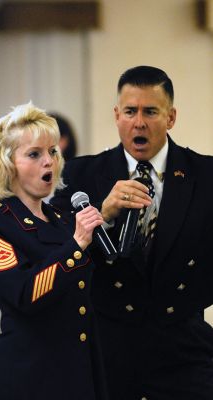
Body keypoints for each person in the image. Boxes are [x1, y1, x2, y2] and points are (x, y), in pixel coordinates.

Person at [51, 66, 213, 400]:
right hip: (109, 352)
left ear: (171, 117)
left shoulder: (206, 175)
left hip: (184, 351)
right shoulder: (80, 176)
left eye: (150, 111)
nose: (138, 122)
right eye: (130, 111)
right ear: (117, 115)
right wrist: (104, 213)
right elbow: (54, 253)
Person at [0, 102, 109, 400]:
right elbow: (25, 294)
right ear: (8, 164)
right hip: (28, 377)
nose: (48, 161)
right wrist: (75, 247)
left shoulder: (62, 219)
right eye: (34, 154)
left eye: (52, 152)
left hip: (77, 372)